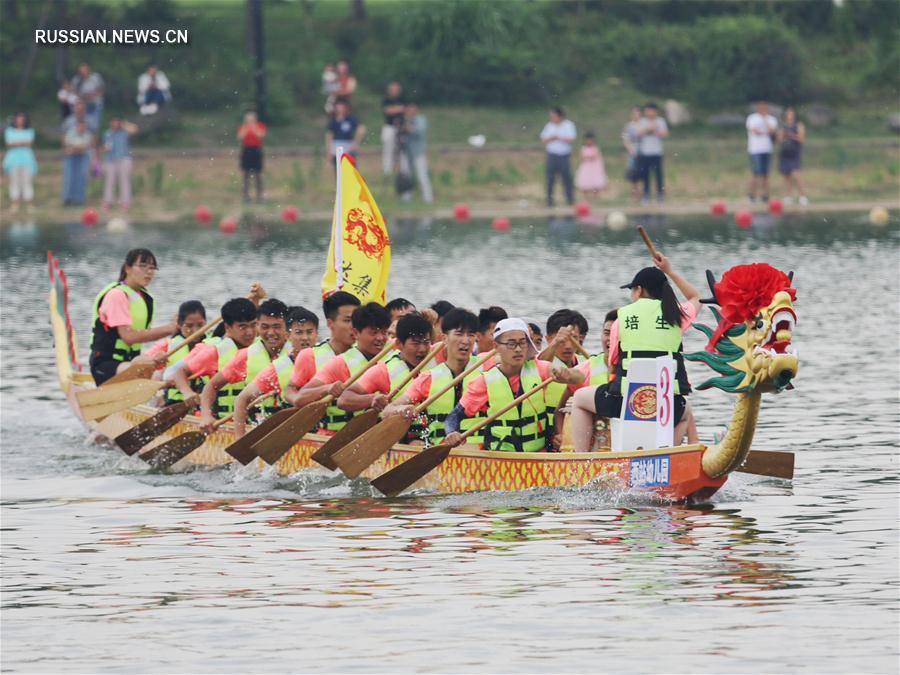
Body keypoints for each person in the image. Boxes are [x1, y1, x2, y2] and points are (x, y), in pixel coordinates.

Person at [569, 253, 701, 452]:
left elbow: (613, 362)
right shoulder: (678, 315)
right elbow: (695, 297)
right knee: (686, 412)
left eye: (632, 290)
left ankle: (581, 461)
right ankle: (667, 455)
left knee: (579, 398)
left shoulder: (622, 318)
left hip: (625, 403)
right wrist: (670, 271)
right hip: (666, 405)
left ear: (639, 290)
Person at [443, 318, 584, 452]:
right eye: (511, 344)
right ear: (496, 346)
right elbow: (453, 417)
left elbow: (579, 377)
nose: (518, 349)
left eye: (522, 343)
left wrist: (567, 374)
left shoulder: (540, 368)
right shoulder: (484, 381)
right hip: (501, 459)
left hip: (538, 456)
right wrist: (451, 433)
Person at [383, 308, 484, 445]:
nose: (465, 341)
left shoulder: (487, 369)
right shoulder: (428, 378)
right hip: (437, 451)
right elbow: (387, 411)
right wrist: (402, 409)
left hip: (481, 453)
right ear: (444, 338)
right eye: (459, 334)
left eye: (471, 335)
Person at [291, 302, 390, 434]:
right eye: (374, 332)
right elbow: (300, 398)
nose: (380, 338)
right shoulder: (339, 364)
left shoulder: (392, 355)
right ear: (356, 333)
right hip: (337, 436)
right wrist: (327, 388)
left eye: (384, 332)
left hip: (378, 436)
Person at [336, 313, 434, 440]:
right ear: (399, 344)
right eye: (415, 343)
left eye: (426, 343)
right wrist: (372, 399)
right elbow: (344, 400)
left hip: (428, 437)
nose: (422, 349)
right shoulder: (383, 371)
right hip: (395, 440)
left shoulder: (435, 361)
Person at [197, 299, 289, 431]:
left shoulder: (300, 354)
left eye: (277, 327)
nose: (271, 333)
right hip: (255, 428)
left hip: (289, 429)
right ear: (258, 326)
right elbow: (211, 386)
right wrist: (206, 416)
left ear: (287, 327)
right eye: (264, 327)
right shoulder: (245, 356)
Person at [89, 249, 176, 385]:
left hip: (129, 363)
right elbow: (129, 337)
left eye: (152, 268)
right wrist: (170, 329)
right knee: (143, 367)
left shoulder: (144, 298)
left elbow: (144, 334)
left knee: (165, 371)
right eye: (143, 266)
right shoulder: (116, 295)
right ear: (127, 268)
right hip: (105, 366)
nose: (149, 271)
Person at [232, 305, 319, 437]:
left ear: (317, 334)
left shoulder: (330, 360)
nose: (305, 338)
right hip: (290, 435)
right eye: (299, 333)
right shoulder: (278, 368)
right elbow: (242, 399)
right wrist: (240, 438)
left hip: (323, 432)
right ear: (288, 335)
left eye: (309, 332)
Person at [282, 292, 361, 432]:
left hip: (360, 433)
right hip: (323, 434)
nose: (354, 326)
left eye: (357, 320)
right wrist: (300, 401)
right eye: (348, 320)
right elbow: (291, 390)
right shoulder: (309, 355)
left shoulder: (367, 354)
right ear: (330, 324)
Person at [170, 297, 259, 416]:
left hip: (255, 419)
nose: (250, 332)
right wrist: (187, 392)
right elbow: (179, 371)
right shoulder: (214, 353)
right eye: (243, 327)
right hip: (220, 419)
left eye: (253, 325)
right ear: (227, 328)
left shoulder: (261, 347)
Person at [140, 300, 208, 407]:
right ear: (179, 325)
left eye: (200, 325)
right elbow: (139, 362)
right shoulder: (167, 345)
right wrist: (153, 361)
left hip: (204, 401)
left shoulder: (214, 342)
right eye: (189, 326)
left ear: (206, 323)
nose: (195, 330)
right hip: (176, 402)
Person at [540, 107, 576, 207]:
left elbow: (571, 138)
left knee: (566, 178)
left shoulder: (568, 125)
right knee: (550, 178)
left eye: (553, 116)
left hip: (564, 154)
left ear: (559, 116)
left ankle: (570, 200)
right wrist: (551, 138)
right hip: (552, 154)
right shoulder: (549, 126)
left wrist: (559, 137)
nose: (552, 118)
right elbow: (544, 138)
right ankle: (549, 201)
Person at [398, 103, 434, 203]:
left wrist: (408, 126)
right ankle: (406, 197)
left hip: (418, 152)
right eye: (409, 110)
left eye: (413, 110)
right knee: (406, 176)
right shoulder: (403, 120)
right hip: (406, 152)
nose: (411, 112)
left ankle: (428, 197)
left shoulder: (421, 120)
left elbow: (419, 132)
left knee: (422, 175)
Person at [3, 113, 38, 212]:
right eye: (18, 119)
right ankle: (15, 203)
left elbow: (29, 143)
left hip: (27, 159)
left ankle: (29, 203)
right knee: (14, 181)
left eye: (22, 119)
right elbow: (9, 144)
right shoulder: (9, 131)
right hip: (13, 160)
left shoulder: (30, 131)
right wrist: (22, 143)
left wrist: (17, 143)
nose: (20, 121)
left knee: (27, 181)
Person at [746, 101, 778, 203]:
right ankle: (752, 195)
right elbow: (755, 131)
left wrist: (765, 120)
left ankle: (765, 196)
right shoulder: (752, 118)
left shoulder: (771, 119)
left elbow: (772, 131)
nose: (762, 110)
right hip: (755, 149)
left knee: (766, 174)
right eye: (761, 108)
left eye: (765, 108)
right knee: (756, 173)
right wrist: (765, 132)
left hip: (767, 149)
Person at [101, 118, 137, 210]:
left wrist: (124, 124)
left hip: (124, 158)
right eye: (113, 122)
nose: (115, 124)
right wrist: (105, 149)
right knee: (110, 181)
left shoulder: (124, 132)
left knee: (124, 180)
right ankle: (108, 201)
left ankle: (125, 202)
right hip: (110, 159)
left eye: (117, 122)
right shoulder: (107, 133)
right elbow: (105, 146)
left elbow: (134, 129)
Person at [637, 102, 668, 204]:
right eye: (647, 110)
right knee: (645, 175)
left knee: (659, 175)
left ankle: (660, 196)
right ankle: (646, 196)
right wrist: (647, 129)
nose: (649, 113)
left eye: (651, 110)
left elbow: (665, 134)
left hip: (656, 152)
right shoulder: (642, 121)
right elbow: (638, 133)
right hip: (645, 153)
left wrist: (655, 130)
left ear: (655, 111)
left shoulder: (660, 121)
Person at [778, 107, 807, 205]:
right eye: (788, 114)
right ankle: (788, 197)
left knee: (796, 175)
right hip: (785, 153)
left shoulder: (799, 125)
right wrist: (783, 135)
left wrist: (791, 135)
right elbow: (779, 140)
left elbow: (801, 138)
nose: (790, 116)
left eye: (792, 114)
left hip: (795, 152)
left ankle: (802, 196)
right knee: (787, 176)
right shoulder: (783, 126)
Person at [61, 119, 93, 206]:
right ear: (77, 126)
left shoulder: (88, 134)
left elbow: (86, 145)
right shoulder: (70, 133)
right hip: (70, 158)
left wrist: (75, 147)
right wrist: (78, 147)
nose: (82, 128)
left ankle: (79, 200)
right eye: (80, 126)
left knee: (81, 178)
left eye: (83, 126)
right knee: (69, 179)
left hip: (82, 158)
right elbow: (67, 144)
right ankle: (67, 199)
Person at [237, 111, 266, 203]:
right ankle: (246, 196)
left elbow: (261, 135)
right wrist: (246, 127)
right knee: (246, 174)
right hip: (246, 150)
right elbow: (240, 137)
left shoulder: (259, 125)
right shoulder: (243, 127)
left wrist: (253, 127)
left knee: (258, 174)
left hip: (256, 150)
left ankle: (259, 196)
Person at [326, 99, 365, 168]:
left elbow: (361, 129)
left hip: (348, 145)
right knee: (338, 168)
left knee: (351, 167)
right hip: (336, 145)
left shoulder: (351, 119)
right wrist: (329, 150)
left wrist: (356, 142)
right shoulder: (333, 120)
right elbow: (329, 135)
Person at [381, 81, 406, 175]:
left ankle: (403, 170)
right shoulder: (386, 99)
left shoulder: (402, 99)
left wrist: (395, 109)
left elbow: (406, 109)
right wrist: (399, 109)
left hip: (401, 127)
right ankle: (387, 170)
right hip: (390, 126)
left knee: (402, 150)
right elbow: (388, 111)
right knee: (388, 149)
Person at [71, 62, 104, 131]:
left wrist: (92, 96)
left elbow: (101, 90)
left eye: (85, 70)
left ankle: (94, 136)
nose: (83, 73)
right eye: (82, 71)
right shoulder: (76, 80)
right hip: (83, 105)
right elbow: (74, 92)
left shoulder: (96, 77)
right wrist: (84, 98)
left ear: (88, 70)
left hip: (95, 103)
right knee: (83, 123)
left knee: (94, 123)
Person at [575, 131, 608, 196]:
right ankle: (586, 196)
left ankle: (595, 195)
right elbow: (581, 157)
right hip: (586, 167)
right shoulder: (583, 148)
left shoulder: (595, 148)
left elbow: (596, 156)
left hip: (594, 167)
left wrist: (589, 157)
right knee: (585, 181)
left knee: (595, 182)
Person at [622, 106, 643, 202]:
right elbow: (625, 139)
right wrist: (630, 149)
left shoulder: (644, 124)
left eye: (637, 113)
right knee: (633, 174)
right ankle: (634, 195)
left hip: (644, 151)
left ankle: (644, 194)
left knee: (644, 173)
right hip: (633, 152)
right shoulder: (629, 126)